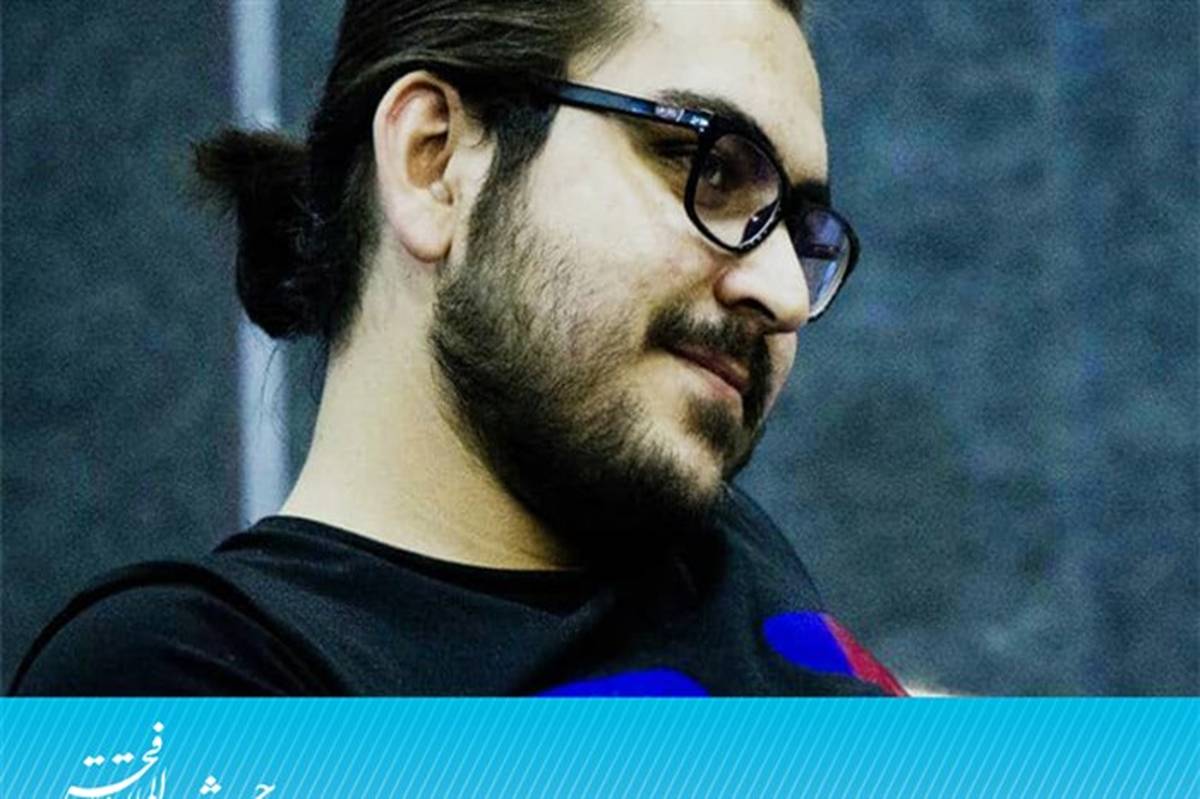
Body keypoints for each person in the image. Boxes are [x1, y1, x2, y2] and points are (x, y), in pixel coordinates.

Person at [11, 0, 905, 696]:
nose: (786, 294)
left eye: (801, 228)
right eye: (708, 166)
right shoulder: (179, 680)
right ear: (433, 161)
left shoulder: (724, 547)